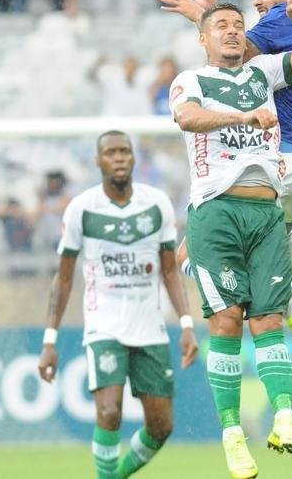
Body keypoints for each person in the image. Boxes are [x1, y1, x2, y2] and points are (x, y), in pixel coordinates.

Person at [168, 0, 292, 478]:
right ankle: (233, 436)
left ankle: (284, 417)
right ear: (204, 38)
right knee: (227, 322)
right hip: (216, 211)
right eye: (221, 26)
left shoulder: (263, 74)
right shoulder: (189, 80)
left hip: (265, 213)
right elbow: (187, 118)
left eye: (239, 25)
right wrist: (244, 118)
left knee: (268, 321)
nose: (233, 32)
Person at [159, 0, 292, 365]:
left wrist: (200, 14)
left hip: (283, 154)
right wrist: (209, 10)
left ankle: (288, 305)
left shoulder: (282, 17)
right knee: (282, 229)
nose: (257, 2)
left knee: (188, 254)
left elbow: (235, 49)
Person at [38, 131, 199, 479]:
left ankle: (117, 475)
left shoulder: (156, 204)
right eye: (111, 152)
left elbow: (170, 269)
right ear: (98, 161)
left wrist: (186, 324)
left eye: (125, 151)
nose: (120, 158)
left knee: (161, 426)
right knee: (109, 412)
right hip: (104, 325)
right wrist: (49, 340)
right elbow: (63, 278)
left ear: (134, 158)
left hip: (149, 327)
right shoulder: (82, 209)